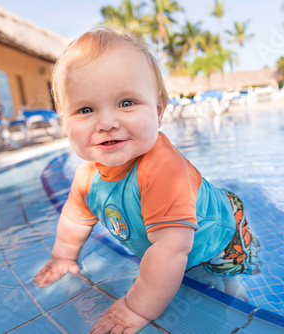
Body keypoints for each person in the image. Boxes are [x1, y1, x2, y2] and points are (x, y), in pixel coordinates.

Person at [34, 26, 261, 333]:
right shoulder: (87, 177)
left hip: (219, 230)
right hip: (180, 237)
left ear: (158, 110)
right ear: (64, 120)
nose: (107, 123)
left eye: (126, 103)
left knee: (224, 282)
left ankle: (237, 293)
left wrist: (135, 307)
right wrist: (62, 257)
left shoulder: (163, 168)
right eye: (85, 109)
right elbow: (74, 221)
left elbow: (171, 250)